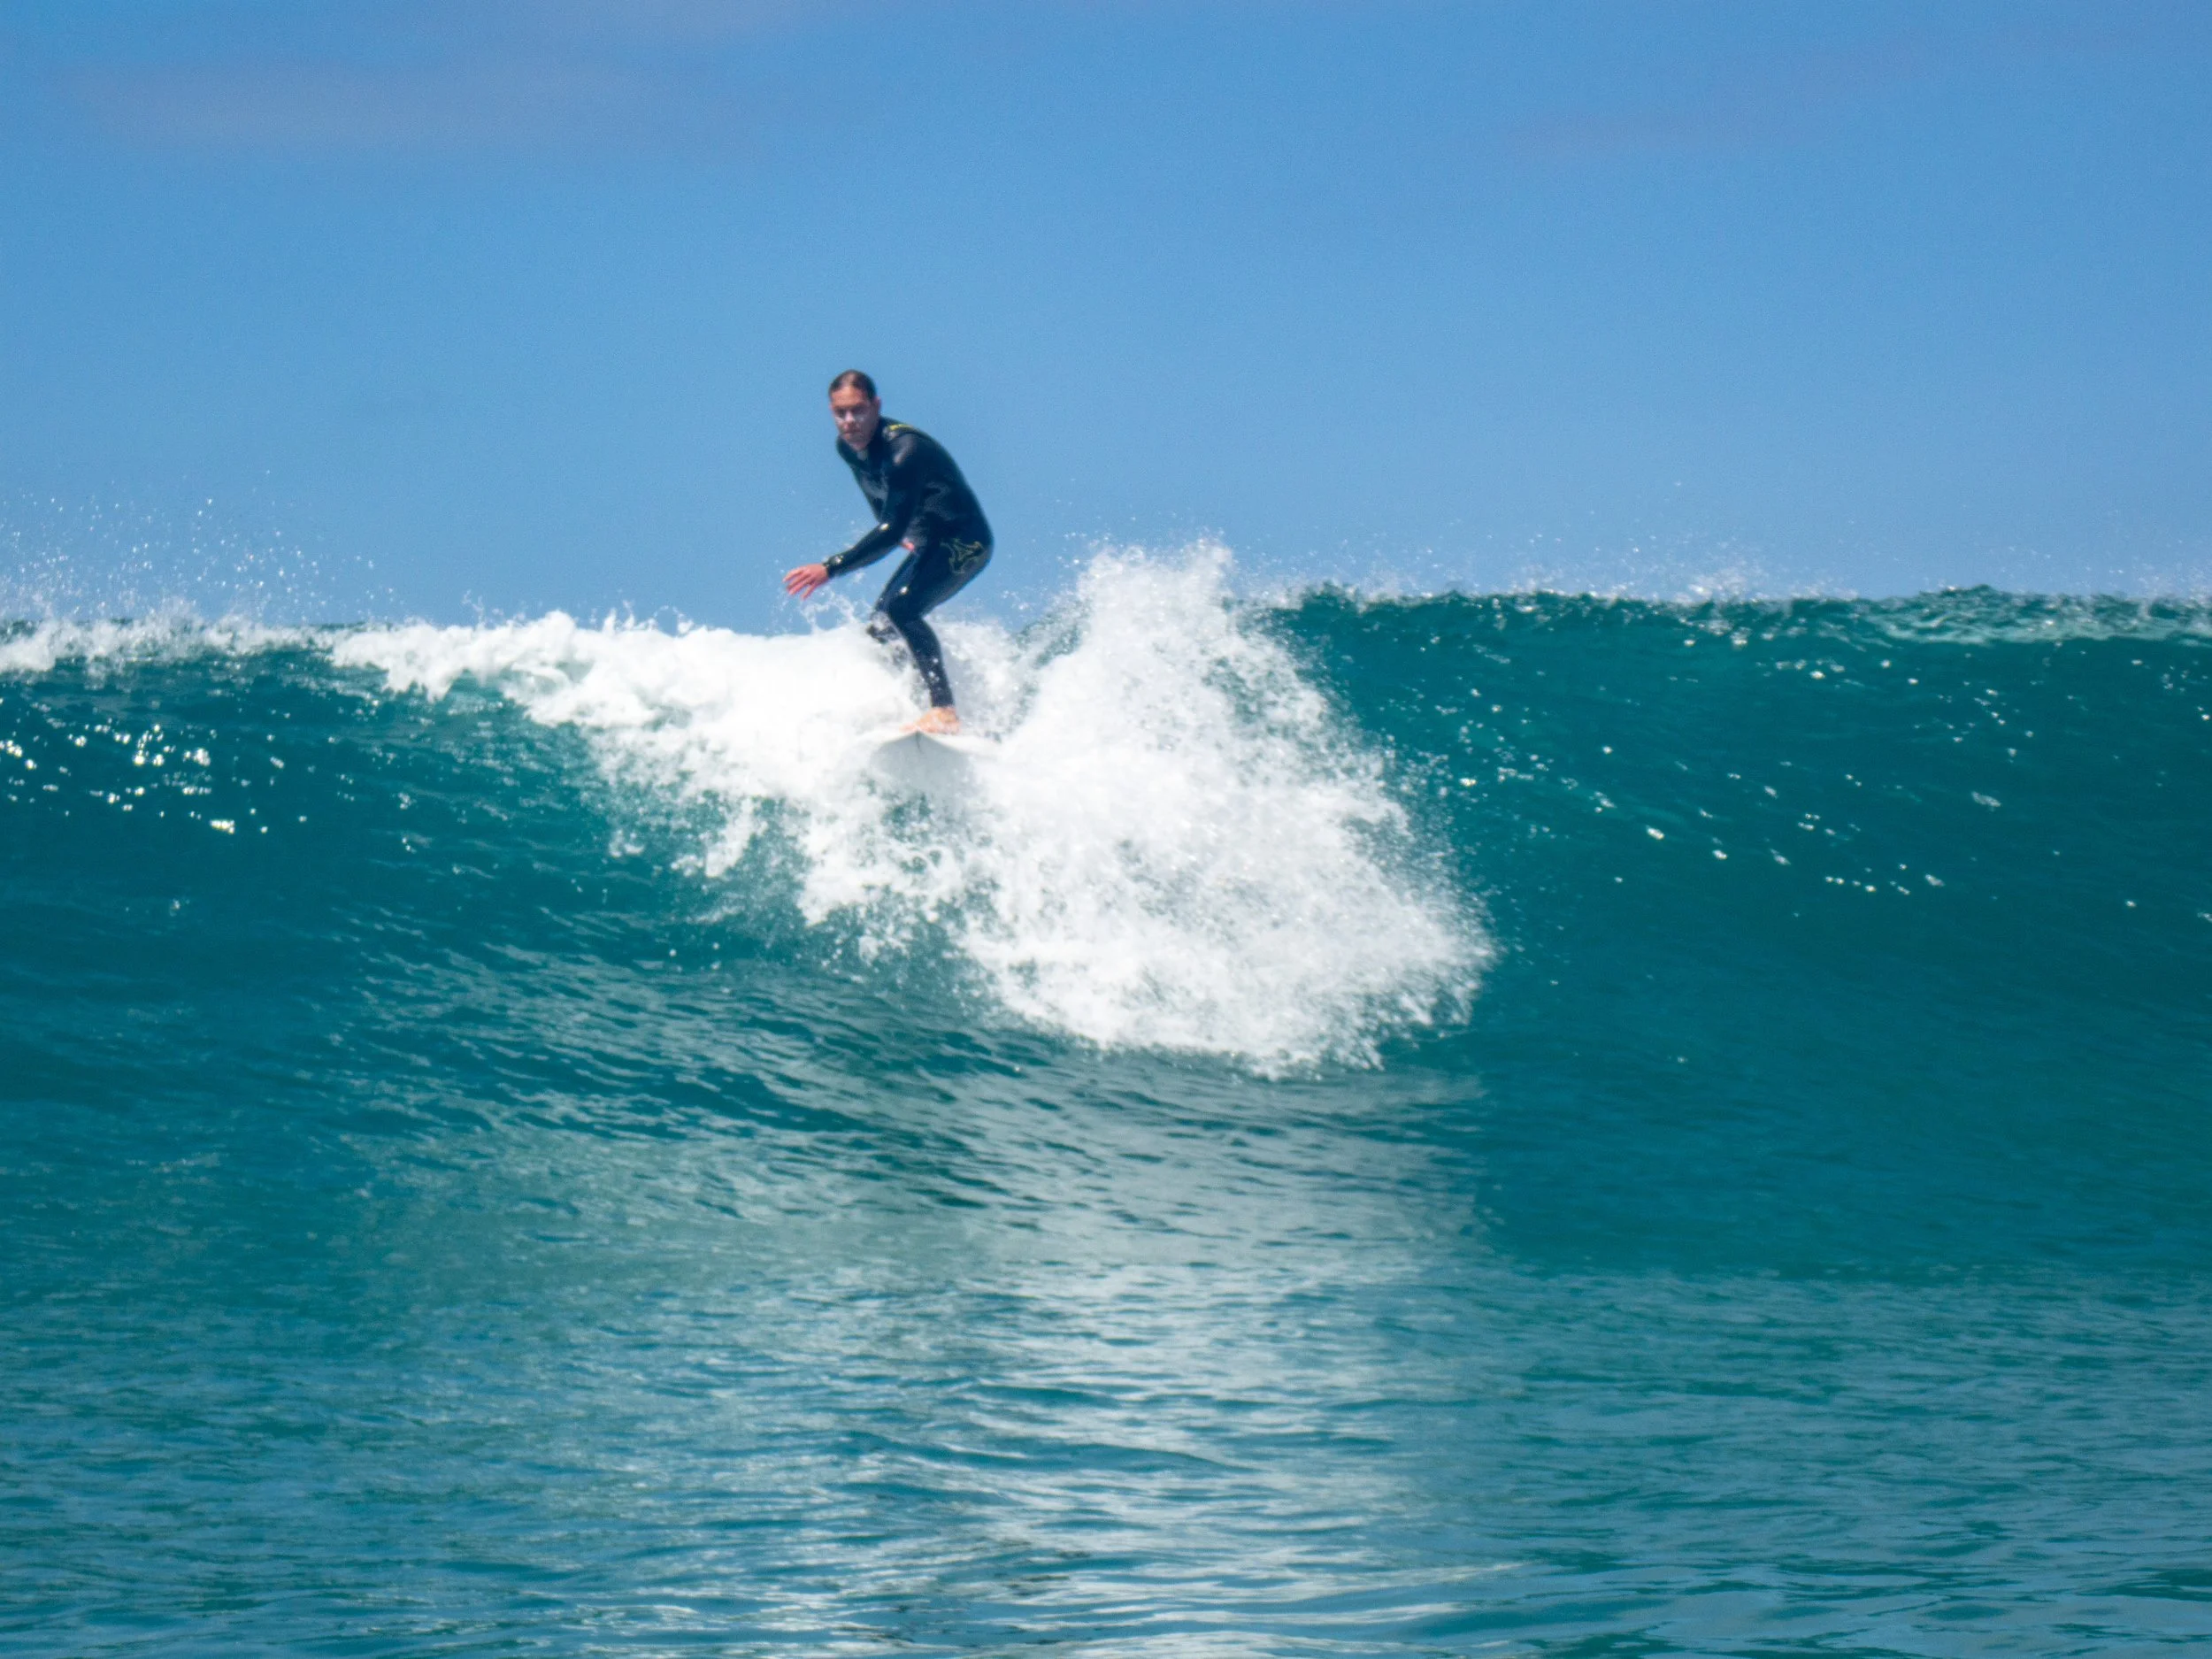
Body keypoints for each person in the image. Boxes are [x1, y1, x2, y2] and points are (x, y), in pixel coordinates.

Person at [784, 371, 993, 735]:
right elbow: (877, 497)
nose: (849, 421)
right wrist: (896, 530)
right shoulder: (847, 447)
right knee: (881, 625)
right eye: (840, 413)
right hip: (930, 543)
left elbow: (891, 529)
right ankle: (917, 704)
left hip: (965, 540)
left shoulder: (904, 451)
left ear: (876, 406)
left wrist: (831, 567)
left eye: (858, 410)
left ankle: (944, 709)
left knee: (902, 610)